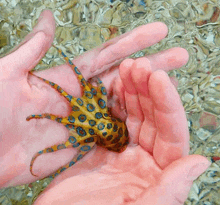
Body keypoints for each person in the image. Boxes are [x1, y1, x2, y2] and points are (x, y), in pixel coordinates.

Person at [0, 10, 210, 204]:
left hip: (112, 133)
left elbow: (62, 135)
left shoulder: (87, 132)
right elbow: (89, 91)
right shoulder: (89, 126)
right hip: (106, 131)